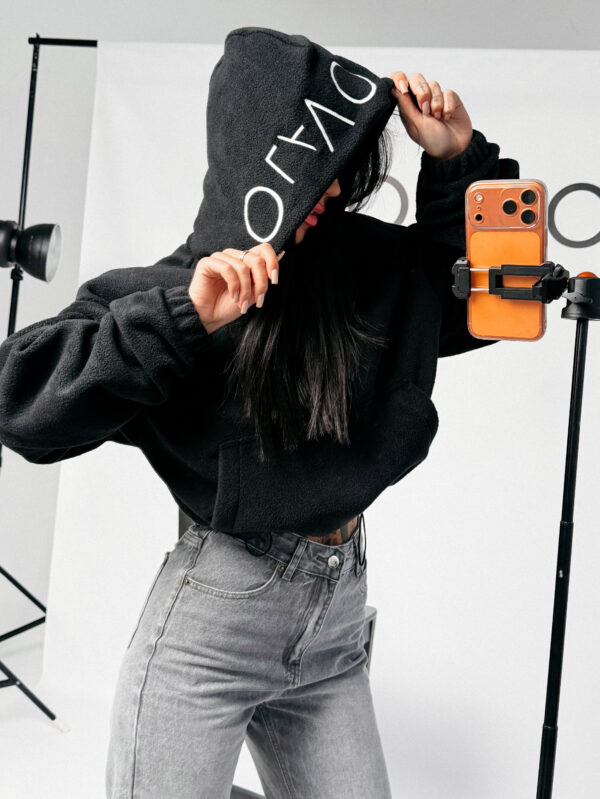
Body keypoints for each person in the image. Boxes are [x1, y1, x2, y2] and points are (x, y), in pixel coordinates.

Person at [0, 26, 519, 799]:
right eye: (307, 176)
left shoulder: (365, 265)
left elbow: (492, 303)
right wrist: (186, 319)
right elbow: (21, 399)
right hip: (210, 632)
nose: (324, 196)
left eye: (335, 174)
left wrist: (458, 160)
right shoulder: (181, 289)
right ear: (252, 165)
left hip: (332, 630)